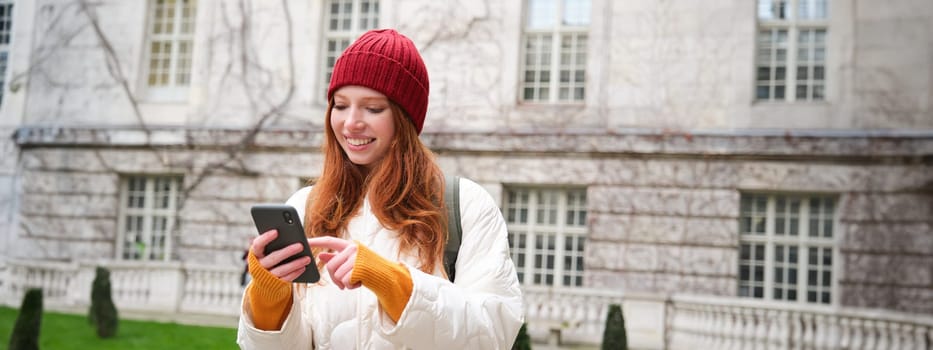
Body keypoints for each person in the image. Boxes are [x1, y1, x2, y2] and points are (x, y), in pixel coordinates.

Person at [236, 29, 524, 349]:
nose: (350, 123)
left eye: (372, 108)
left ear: (405, 118)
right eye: (340, 105)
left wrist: (392, 282)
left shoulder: (465, 205)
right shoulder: (305, 206)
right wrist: (269, 297)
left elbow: (493, 336)